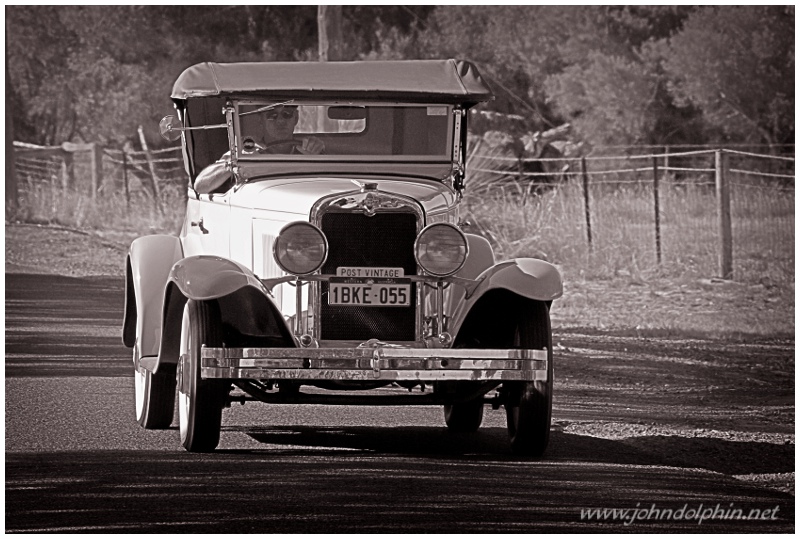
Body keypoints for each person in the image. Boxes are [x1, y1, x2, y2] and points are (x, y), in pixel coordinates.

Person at [194, 104, 324, 194]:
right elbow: (200, 186)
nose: (280, 121)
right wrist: (234, 163)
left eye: (287, 114)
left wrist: (315, 158)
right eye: (272, 115)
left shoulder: (308, 150)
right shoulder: (246, 151)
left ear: (296, 118)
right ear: (261, 120)